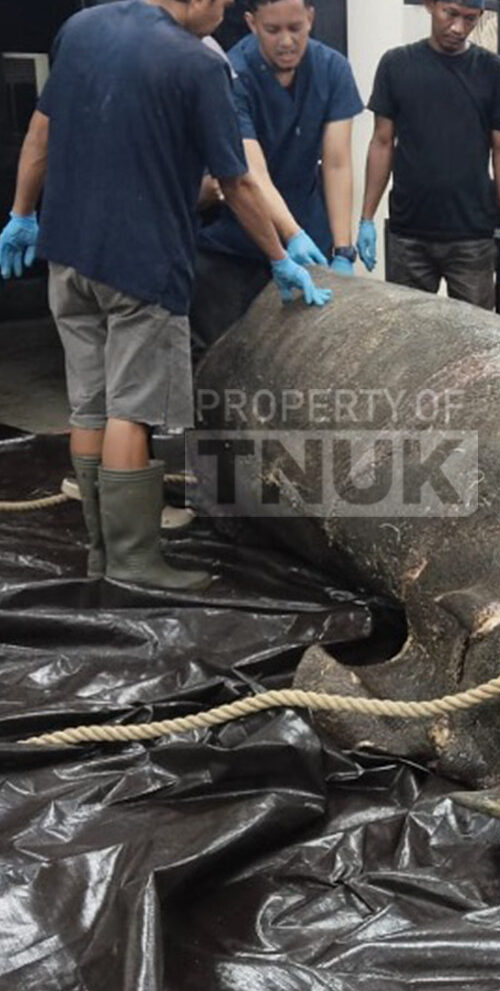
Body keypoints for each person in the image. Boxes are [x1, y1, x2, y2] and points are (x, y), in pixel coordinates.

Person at [0, 0, 330, 591]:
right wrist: (280, 256)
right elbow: (235, 181)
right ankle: (133, 561)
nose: (227, 11)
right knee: (133, 408)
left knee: (89, 405)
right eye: (224, 1)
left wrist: (21, 212)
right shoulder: (195, 65)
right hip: (140, 266)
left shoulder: (82, 28)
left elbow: (42, 130)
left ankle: (101, 552)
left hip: (67, 256)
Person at [357, 0, 500, 310]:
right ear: (431, 5)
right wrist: (366, 217)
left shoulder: (493, 71)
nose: (458, 28)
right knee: (408, 336)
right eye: (451, 14)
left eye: (470, 19)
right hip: (409, 232)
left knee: (476, 340)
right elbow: (381, 142)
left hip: (471, 233)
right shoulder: (397, 65)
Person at [197, 0, 365, 277]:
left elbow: (336, 164)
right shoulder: (231, 75)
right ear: (252, 23)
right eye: (273, 30)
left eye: (295, 28)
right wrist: (292, 235)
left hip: (309, 235)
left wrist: (342, 249)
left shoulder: (333, 69)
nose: (286, 41)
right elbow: (252, 172)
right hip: (235, 247)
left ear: (310, 18)